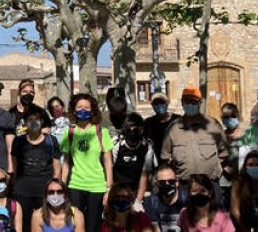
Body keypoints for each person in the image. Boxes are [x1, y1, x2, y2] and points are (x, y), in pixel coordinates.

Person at [160, 88, 229, 198]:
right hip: (184, 186)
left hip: (210, 185)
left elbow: (224, 154)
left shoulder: (213, 125)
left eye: (193, 102)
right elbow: (166, 157)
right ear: (182, 103)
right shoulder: (173, 128)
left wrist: (214, 168)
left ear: (200, 103)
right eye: (187, 101)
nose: (190, 104)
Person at [60, 93, 112, 232]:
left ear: (92, 110)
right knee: (75, 224)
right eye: (79, 107)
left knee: (93, 226)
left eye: (87, 107)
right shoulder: (69, 133)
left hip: (97, 186)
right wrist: (62, 186)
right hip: (75, 185)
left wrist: (108, 189)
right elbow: (66, 163)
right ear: (74, 110)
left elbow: (108, 162)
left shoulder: (101, 132)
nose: (83, 110)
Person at [12, 106, 62, 232]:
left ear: (42, 121)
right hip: (23, 192)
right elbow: (15, 167)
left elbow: (57, 169)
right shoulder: (18, 141)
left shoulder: (51, 140)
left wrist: (57, 190)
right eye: (30, 119)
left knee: (45, 224)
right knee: (25, 225)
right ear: (25, 121)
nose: (34, 122)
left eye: (37, 119)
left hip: (45, 192)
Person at [110, 113, 154, 209]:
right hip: (118, 190)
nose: (132, 130)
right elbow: (110, 168)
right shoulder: (117, 144)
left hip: (136, 190)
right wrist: (110, 191)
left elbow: (144, 174)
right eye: (129, 127)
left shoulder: (147, 147)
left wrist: (138, 201)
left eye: (135, 127)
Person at [230, 149, 258, 231]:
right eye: (250, 165)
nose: (254, 167)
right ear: (245, 167)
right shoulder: (238, 183)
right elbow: (235, 210)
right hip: (243, 225)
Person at [218, 103, 244, 209]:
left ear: (238, 116)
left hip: (241, 181)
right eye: (226, 117)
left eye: (233, 115)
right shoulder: (220, 137)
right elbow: (214, 156)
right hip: (224, 182)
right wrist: (224, 168)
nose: (230, 119)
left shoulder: (246, 135)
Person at [144, 162, 185, 232]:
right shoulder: (151, 202)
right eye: (162, 183)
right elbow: (155, 228)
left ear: (177, 182)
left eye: (171, 181)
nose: (167, 185)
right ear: (157, 184)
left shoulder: (187, 199)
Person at [145, 93, 176, 159]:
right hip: (155, 161)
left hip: (174, 160)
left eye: (161, 102)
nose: (159, 105)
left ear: (167, 103)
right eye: (155, 103)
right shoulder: (148, 122)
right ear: (152, 106)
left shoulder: (177, 120)